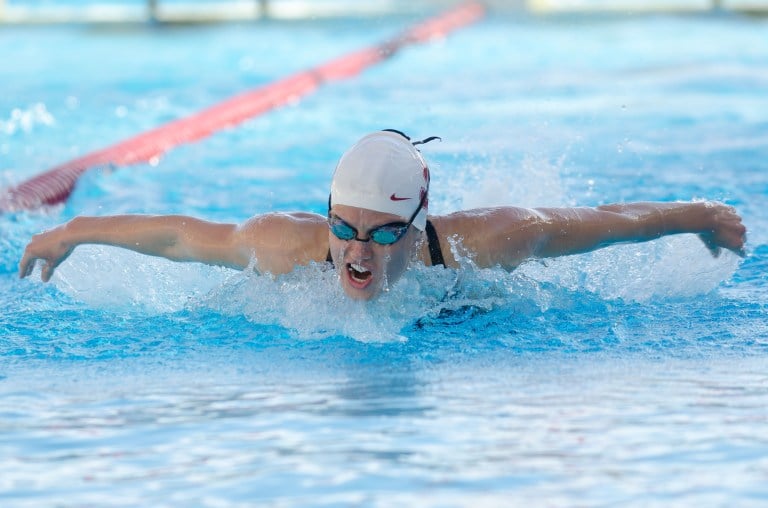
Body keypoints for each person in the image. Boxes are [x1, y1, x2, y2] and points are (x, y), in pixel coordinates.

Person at [19, 129, 747, 301]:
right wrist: (72, 231)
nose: (356, 255)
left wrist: (700, 213)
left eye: (381, 233)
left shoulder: (489, 241)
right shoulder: (292, 246)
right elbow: (182, 235)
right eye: (344, 229)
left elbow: (611, 219)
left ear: (418, 224)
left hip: (465, 313)